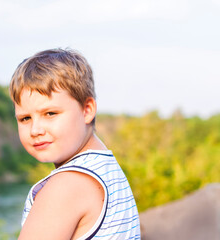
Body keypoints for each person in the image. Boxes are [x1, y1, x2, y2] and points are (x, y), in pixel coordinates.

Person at [9, 48, 141, 239]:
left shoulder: (65, 187)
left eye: (50, 113)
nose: (35, 130)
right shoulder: (106, 168)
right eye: (25, 119)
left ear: (87, 110)